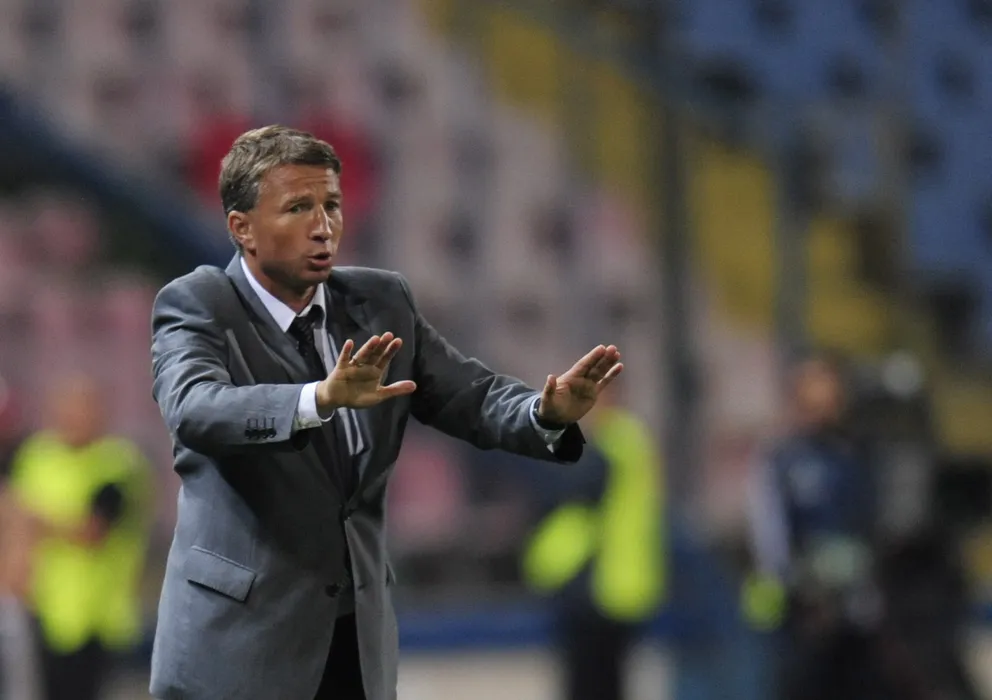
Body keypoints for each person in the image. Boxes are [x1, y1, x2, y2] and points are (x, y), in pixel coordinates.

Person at [148, 125, 623, 700]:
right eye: (298, 208)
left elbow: (470, 395)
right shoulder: (198, 303)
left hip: (355, 643)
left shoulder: (380, 302)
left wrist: (542, 412)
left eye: (331, 205)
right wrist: (316, 399)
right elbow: (194, 408)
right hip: (237, 651)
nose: (323, 226)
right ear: (241, 227)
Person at [4, 374, 152, 700]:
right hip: (42, 608)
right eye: (66, 408)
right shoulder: (37, 457)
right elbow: (14, 519)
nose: (72, 417)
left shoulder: (118, 464)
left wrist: (37, 521)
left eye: (82, 408)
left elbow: (92, 531)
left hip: (97, 619)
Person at [745, 353, 881, 700]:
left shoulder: (855, 454)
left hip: (854, 607)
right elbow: (769, 531)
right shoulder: (782, 458)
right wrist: (794, 584)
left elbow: (869, 522)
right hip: (801, 609)